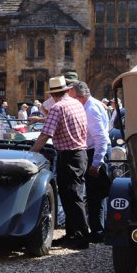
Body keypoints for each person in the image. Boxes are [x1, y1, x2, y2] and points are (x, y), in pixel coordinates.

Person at [30, 75, 89, 250]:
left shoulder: (58, 107)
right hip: (79, 154)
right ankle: (73, 234)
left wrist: (31, 153)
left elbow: (45, 134)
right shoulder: (75, 103)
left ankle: (81, 237)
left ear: (53, 94)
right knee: (71, 196)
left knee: (72, 197)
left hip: (69, 155)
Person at [70, 81, 110, 243]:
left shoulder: (91, 109)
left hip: (95, 152)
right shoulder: (91, 105)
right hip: (94, 151)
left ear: (81, 97)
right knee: (97, 195)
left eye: (73, 98)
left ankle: (98, 231)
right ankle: (100, 228)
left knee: (95, 195)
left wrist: (96, 163)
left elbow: (101, 138)